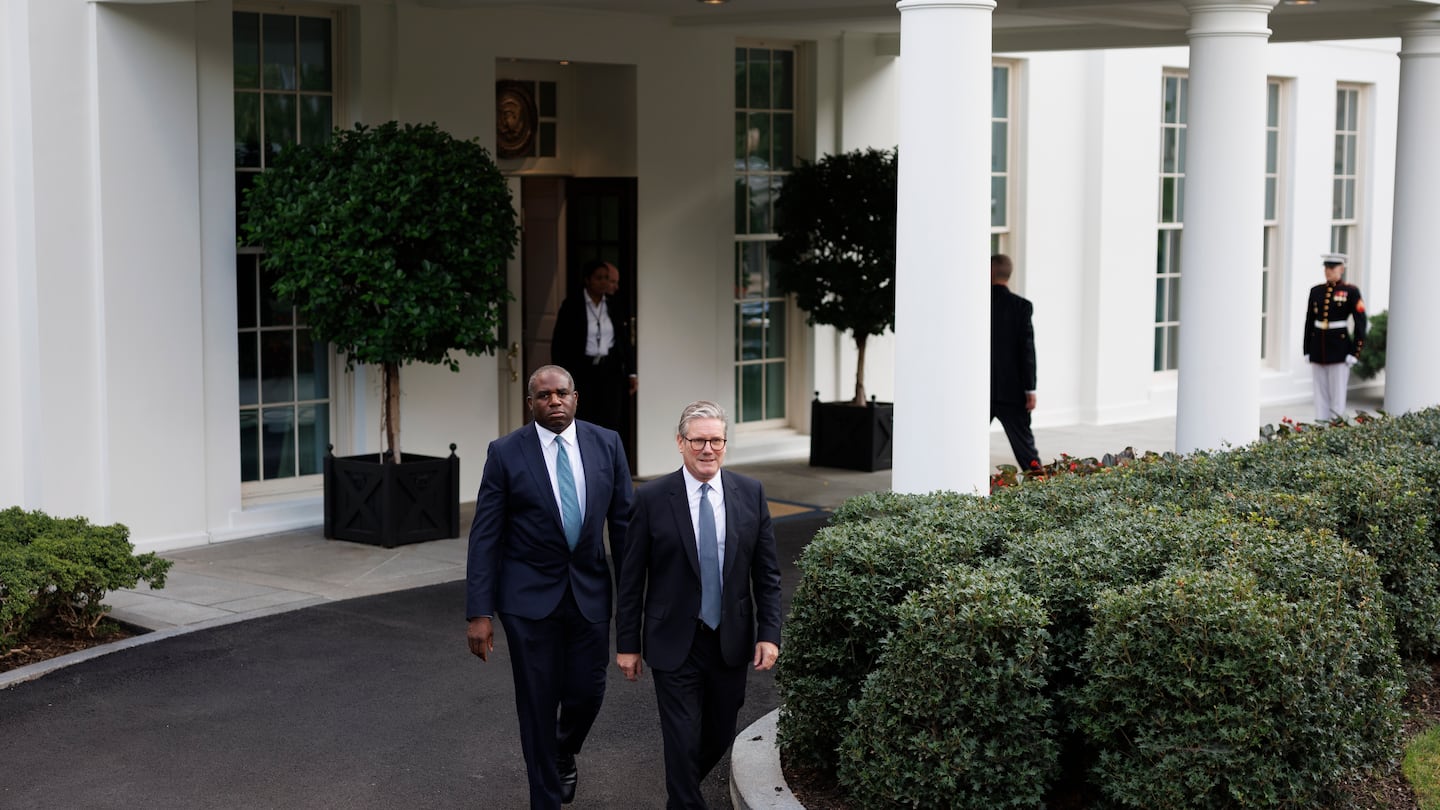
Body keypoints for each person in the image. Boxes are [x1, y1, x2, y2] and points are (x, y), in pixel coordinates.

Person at [465, 364, 634, 808]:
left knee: (588, 691)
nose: (554, 401)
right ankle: (545, 798)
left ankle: (562, 748)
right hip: (527, 601)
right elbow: (486, 534)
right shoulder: (505, 453)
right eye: (544, 396)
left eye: (562, 393)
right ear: (531, 404)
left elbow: (624, 527)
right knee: (537, 703)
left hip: (590, 594)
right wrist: (480, 612)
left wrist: (635, 600)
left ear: (576, 397)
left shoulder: (607, 443)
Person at [615, 401, 783, 810]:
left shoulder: (750, 492)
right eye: (698, 441)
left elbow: (766, 574)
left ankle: (680, 796)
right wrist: (627, 644)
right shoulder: (653, 498)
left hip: (730, 638)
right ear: (680, 443)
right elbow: (631, 578)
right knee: (681, 734)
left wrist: (769, 634)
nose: (707, 449)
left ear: (725, 444)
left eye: (716, 441)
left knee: (720, 732)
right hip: (673, 638)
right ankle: (687, 803)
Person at [551, 259, 637, 437]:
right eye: (599, 278)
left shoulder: (614, 304)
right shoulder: (572, 304)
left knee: (611, 418)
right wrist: (559, 375)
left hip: (609, 369)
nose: (604, 282)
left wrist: (631, 372)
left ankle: (608, 458)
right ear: (588, 280)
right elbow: (560, 342)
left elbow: (623, 339)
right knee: (585, 417)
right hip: (583, 369)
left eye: (606, 278)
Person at [990, 254, 1040, 470]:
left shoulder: (973, 305)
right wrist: (1030, 390)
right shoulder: (1021, 307)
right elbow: (1027, 351)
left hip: (979, 391)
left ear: (991, 271)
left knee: (961, 444)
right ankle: (1042, 490)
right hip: (1012, 391)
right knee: (1027, 452)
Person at [1304, 252, 1367, 421]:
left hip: (1339, 349)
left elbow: (1361, 322)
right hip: (1318, 347)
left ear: (1342, 269)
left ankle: (1336, 425)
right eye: (1326, 267)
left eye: (1332, 268)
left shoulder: (1350, 291)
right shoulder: (1316, 291)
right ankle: (1321, 424)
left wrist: (1355, 352)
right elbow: (1309, 321)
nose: (1328, 271)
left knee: (1338, 393)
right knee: (1320, 392)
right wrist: (1307, 349)